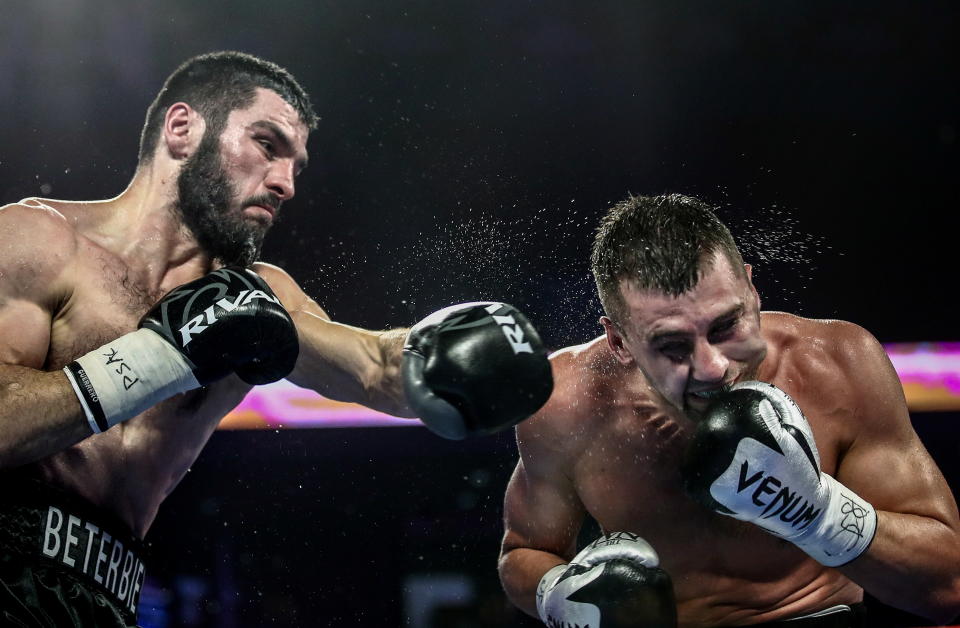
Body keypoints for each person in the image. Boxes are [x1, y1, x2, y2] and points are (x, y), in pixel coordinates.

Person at [0, 51, 553, 627]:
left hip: (101, 596)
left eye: (297, 165)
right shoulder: (40, 242)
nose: (286, 183)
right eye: (268, 145)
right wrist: (155, 357)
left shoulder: (257, 297)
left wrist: (472, 357)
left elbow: (379, 368)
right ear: (182, 129)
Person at [498, 193, 960, 626]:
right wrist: (558, 594)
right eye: (673, 345)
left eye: (726, 325)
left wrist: (815, 513)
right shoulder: (565, 404)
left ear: (752, 291)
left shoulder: (837, 364)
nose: (713, 367)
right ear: (620, 341)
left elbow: (947, 586)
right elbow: (523, 553)